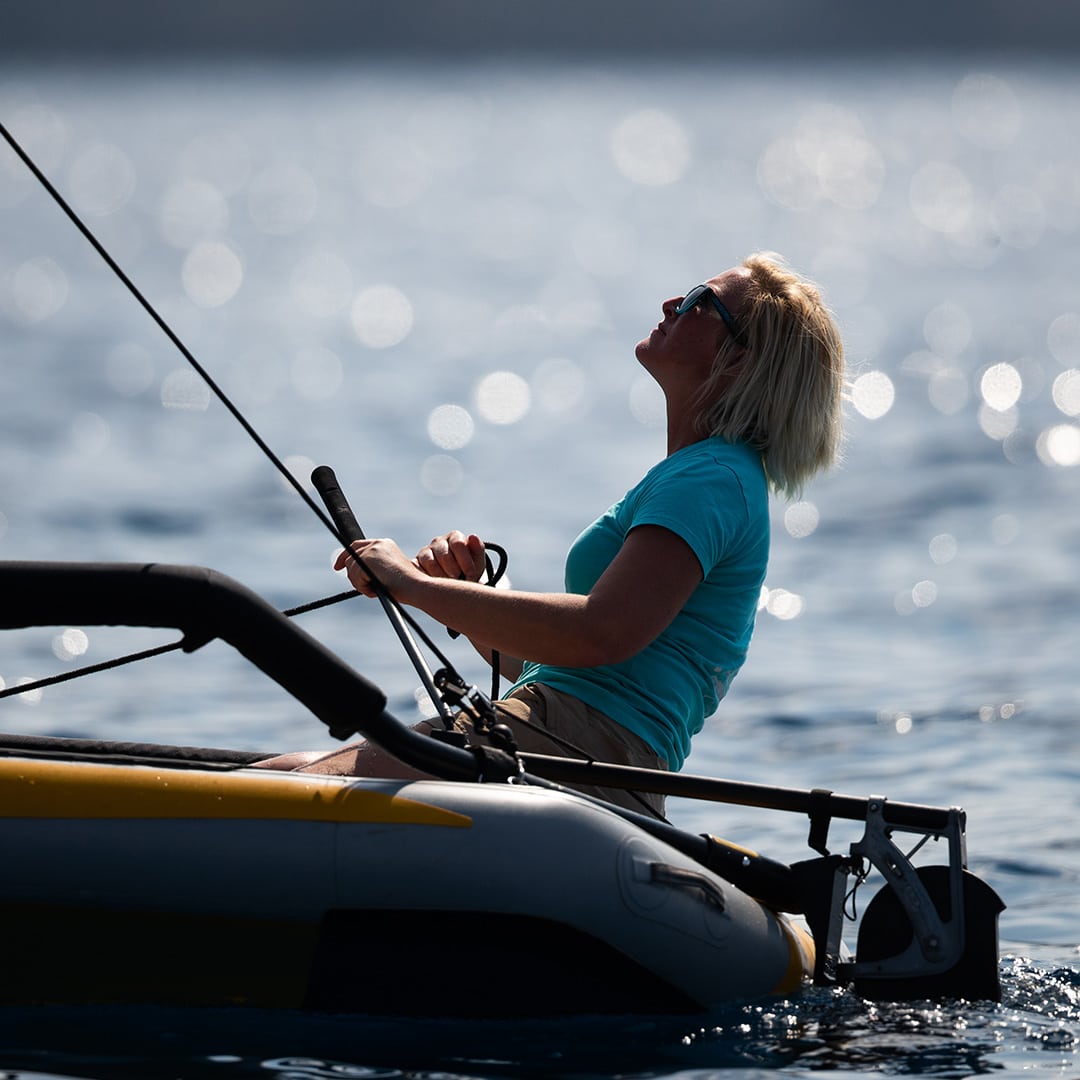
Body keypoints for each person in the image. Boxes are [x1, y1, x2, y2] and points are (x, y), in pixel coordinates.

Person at [257, 253, 845, 815]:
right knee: (280, 774)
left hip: (579, 746)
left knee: (271, 796)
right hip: (571, 737)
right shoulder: (707, 476)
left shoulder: (713, 478)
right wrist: (463, 597)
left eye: (700, 301)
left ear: (737, 360)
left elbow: (600, 632)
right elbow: (571, 661)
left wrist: (409, 584)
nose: (672, 302)